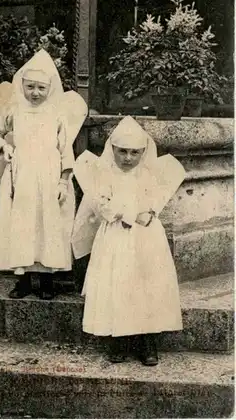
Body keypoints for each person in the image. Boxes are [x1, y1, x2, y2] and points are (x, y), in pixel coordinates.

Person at [72, 116, 186, 366]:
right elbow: (101, 206)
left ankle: (147, 341)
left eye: (135, 153)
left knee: (146, 285)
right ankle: (119, 341)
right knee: (117, 284)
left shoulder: (149, 175)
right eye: (122, 151)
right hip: (115, 236)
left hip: (146, 239)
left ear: (143, 152)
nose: (128, 158)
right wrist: (126, 214)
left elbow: (155, 200)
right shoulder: (103, 174)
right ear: (112, 149)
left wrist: (151, 211)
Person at [0, 49, 87, 300]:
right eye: (30, 86)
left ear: (49, 89)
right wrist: (6, 147)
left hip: (49, 174)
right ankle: (22, 280)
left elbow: (65, 150)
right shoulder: (14, 111)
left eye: (41, 88)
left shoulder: (57, 114)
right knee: (21, 223)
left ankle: (46, 281)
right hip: (21, 175)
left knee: (48, 224)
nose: (35, 93)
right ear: (22, 86)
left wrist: (64, 181)